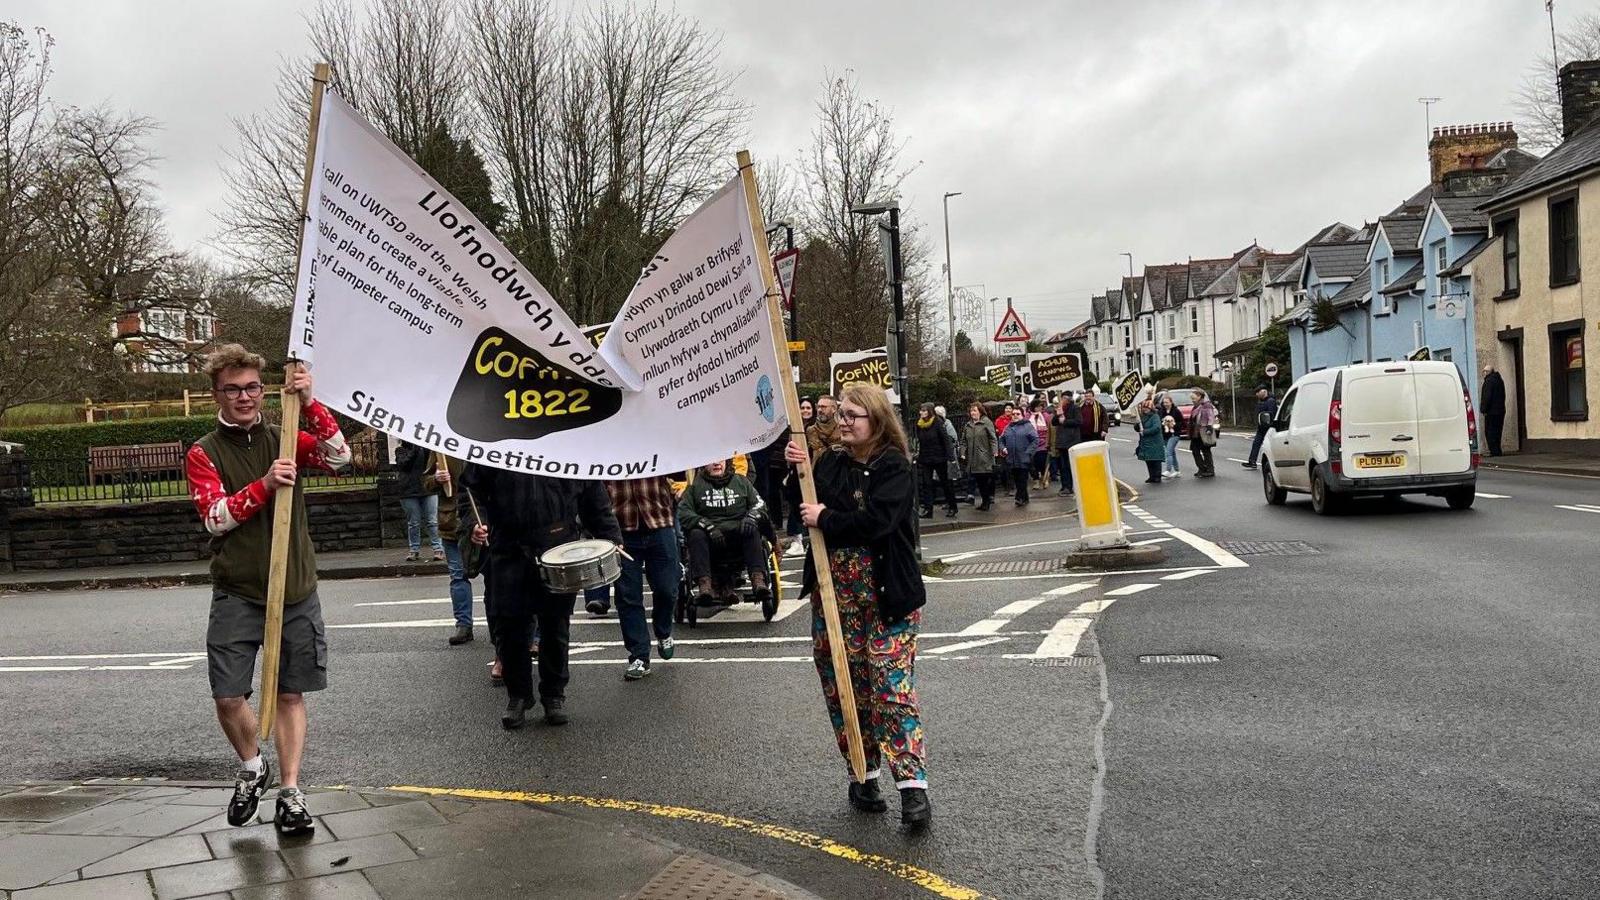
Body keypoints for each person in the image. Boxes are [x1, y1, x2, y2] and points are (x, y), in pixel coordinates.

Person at [184, 344, 351, 836]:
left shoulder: (286, 438)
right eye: (233, 389)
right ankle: (254, 765)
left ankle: (292, 792)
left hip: (294, 588)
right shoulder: (203, 452)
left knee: (290, 694)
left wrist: (313, 402)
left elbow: (340, 459)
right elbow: (215, 519)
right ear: (217, 393)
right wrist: (264, 485)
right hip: (238, 591)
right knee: (228, 695)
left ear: (264, 390)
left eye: (252, 387)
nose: (244, 397)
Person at [783, 382, 931, 826]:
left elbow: (878, 522)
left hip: (888, 600)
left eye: (852, 416)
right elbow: (803, 507)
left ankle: (912, 789)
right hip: (835, 600)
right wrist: (798, 475)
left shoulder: (895, 467)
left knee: (890, 690)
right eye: (840, 415)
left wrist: (825, 518)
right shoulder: (829, 463)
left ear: (877, 421)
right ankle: (863, 776)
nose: (842, 422)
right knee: (845, 687)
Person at [462, 465, 623, 729]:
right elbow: (470, 489)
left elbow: (592, 493)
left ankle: (553, 695)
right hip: (508, 547)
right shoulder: (495, 444)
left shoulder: (565, 446)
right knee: (509, 628)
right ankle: (518, 696)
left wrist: (609, 535)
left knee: (556, 626)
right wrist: (474, 522)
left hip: (559, 547)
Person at [605, 476, 682, 681]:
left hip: (660, 523)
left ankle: (663, 631)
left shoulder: (655, 444)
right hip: (621, 529)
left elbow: (680, 468)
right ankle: (639, 656)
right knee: (627, 595)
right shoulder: (605, 451)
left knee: (668, 588)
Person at [679, 459, 770, 606]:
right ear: (703, 464)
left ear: (727, 462)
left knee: (752, 530)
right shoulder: (695, 486)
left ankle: (758, 580)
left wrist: (751, 517)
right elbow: (684, 512)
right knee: (695, 533)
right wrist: (706, 525)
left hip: (738, 537)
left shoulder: (742, 482)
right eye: (711, 461)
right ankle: (705, 585)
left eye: (720, 460)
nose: (716, 464)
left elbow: (760, 505)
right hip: (709, 539)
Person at [424, 456, 474, 645]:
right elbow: (426, 483)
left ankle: (499, 628)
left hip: (485, 520)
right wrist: (436, 479)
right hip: (452, 521)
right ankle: (463, 625)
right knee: (458, 574)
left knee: (496, 578)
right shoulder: (441, 447)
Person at [394, 441, 444, 562]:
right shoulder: (400, 451)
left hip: (427, 489)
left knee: (432, 521)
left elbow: (431, 464)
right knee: (413, 523)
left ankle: (438, 549)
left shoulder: (426, 450)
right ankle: (414, 550)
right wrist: (415, 450)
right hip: (409, 491)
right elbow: (404, 465)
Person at [913, 403, 958, 519]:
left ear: (929, 411)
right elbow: (919, 441)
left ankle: (953, 506)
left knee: (946, 483)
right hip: (926, 458)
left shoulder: (938, 423)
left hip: (939, 458)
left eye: (923, 411)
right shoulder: (919, 424)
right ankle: (928, 510)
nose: (921, 413)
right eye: (920, 411)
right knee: (927, 484)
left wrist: (950, 457)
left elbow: (946, 440)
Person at [960, 403, 997, 511]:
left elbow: (992, 438)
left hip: (984, 457)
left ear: (980, 411)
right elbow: (963, 441)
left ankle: (986, 501)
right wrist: (962, 452)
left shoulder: (986, 423)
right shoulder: (968, 425)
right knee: (979, 481)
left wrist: (995, 451)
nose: (973, 413)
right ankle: (984, 501)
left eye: (975, 411)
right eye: (971, 411)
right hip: (972, 458)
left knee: (984, 480)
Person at [999, 409, 1039, 506]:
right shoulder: (1007, 427)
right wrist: (1003, 448)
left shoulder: (1027, 426)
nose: (1015, 416)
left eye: (1018, 414)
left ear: (1022, 415)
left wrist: (1028, 452)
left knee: (1022, 479)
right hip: (1011, 459)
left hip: (1023, 458)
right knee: (1017, 480)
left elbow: (1035, 440)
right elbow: (1001, 440)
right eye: (1013, 414)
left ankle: (1019, 498)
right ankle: (1025, 498)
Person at [1052, 392, 1082, 496]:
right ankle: (1064, 486)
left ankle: (1069, 487)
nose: (1062, 401)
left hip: (1071, 441)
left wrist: (1065, 421)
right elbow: (1054, 422)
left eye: (1064, 399)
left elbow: (1078, 421)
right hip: (1061, 442)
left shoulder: (1075, 408)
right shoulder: (1060, 408)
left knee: (1069, 466)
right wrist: (1058, 415)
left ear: (1068, 399)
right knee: (1062, 466)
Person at [1241, 385, 1278, 469]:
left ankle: (1271, 463)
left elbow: (1271, 414)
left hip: (1268, 428)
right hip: (1261, 427)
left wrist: (1268, 424)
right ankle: (1252, 461)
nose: (1256, 394)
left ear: (1263, 391)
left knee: (1268, 446)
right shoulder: (1262, 401)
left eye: (1258, 392)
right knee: (1256, 444)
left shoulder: (1270, 401)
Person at [1134, 398, 1165, 484]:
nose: (1145, 409)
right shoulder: (1142, 417)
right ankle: (1151, 476)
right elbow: (1138, 428)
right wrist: (1137, 425)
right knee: (1149, 459)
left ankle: (1157, 476)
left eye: (1147, 408)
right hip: (1146, 442)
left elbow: (1157, 428)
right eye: (1144, 408)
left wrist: (1145, 432)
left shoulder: (1155, 416)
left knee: (1156, 459)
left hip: (1155, 442)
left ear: (1151, 408)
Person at [1188, 389, 1218, 477]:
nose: (1192, 400)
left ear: (1200, 397)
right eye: (1192, 398)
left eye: (1194, 398)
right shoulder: (1196, 406)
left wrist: (1209, 428)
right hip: (1196, 431)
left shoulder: (1206, 405)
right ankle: (1202, 468)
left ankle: (1210, 470)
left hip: (1204, 431)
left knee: (1206, 450)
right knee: (1195, 451)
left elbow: (1210, 417)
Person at [1481, 365, 1507, 457]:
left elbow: (1487, 397)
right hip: (1500, 410)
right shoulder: (1499, 380)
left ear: (1489, 372)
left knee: (1490, 432)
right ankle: (1497, 450)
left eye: (1485, 371)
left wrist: (1483, 409)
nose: (1483, 373)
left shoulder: (1489, 381)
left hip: (1491, 411)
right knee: (1497, 431)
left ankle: (1493, 451)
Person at [1158, 393, 1186, 479]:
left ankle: (1168, 470)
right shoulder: (1161, 411)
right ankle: (1177, 471)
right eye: (1164, 402)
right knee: (1172, 453)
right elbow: (1159, 422)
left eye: (1167, 402)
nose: (1165, 404)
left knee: (1168, 452)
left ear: (1171, 402)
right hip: (1165, 435)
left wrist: (1173, 425)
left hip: (1174, 435)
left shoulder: (1176, 411)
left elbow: (1182, 423)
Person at [1027, 400, 1051, 489]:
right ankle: (1036, 480)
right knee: (1032, 463)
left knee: (1043, 462)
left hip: (1044, 443)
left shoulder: (1046, 416)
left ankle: (1045, 478)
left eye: (1041, 406)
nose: (1039, 408)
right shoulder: (1028, 416)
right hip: (1031, 443)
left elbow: (1050, 427)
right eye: (1037, 406)